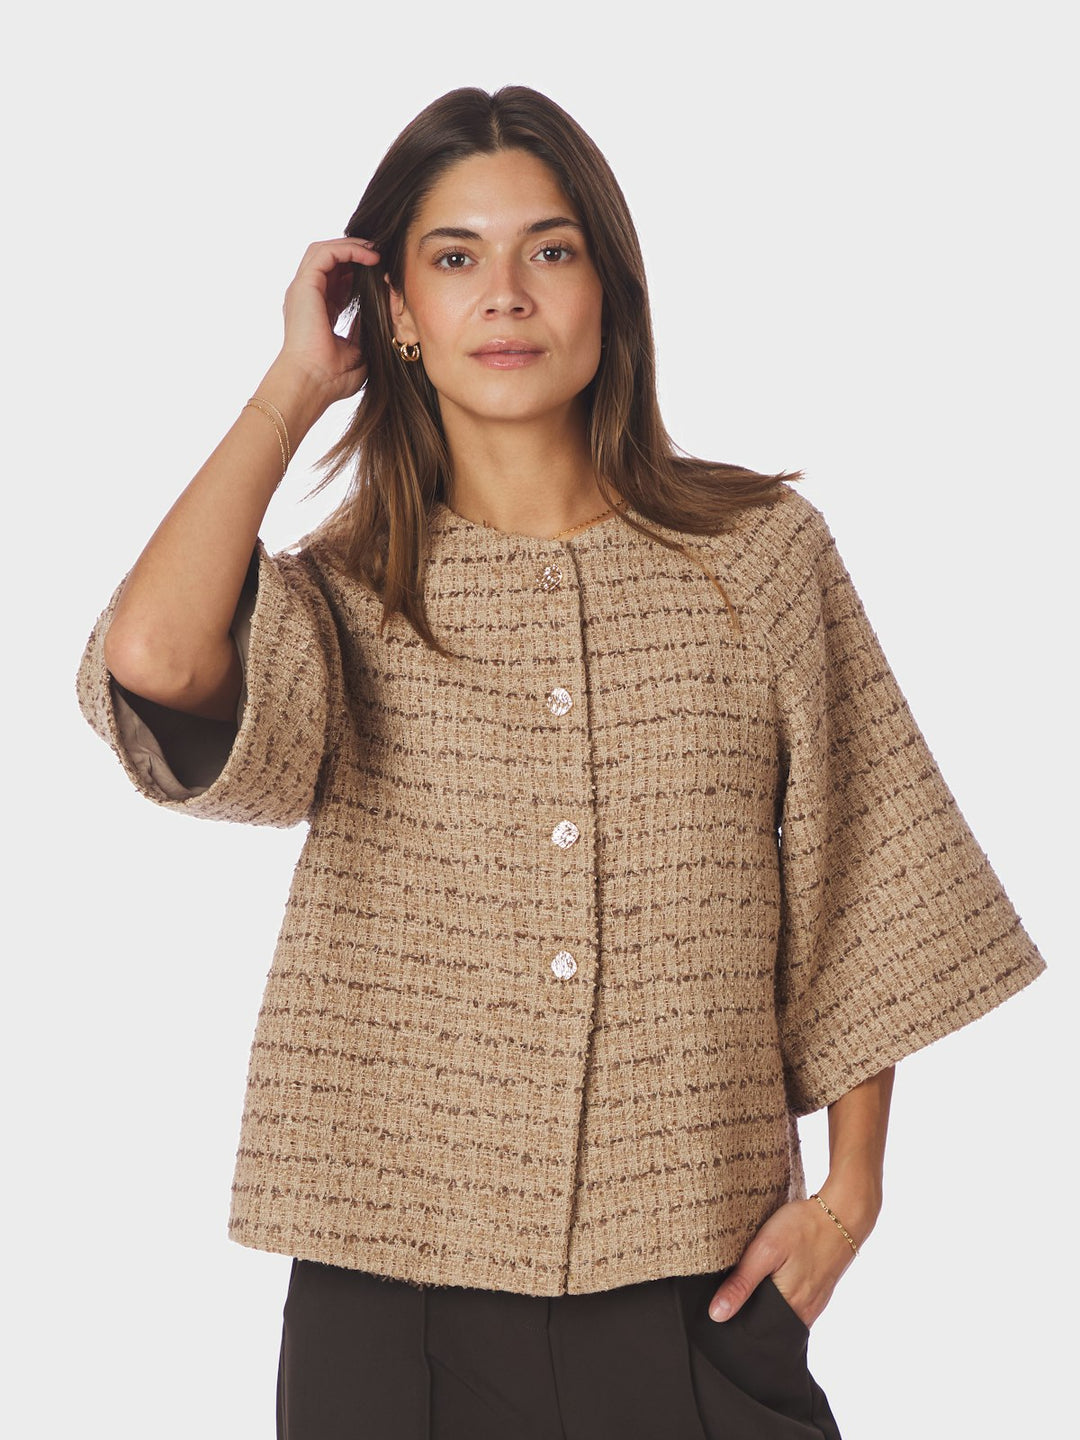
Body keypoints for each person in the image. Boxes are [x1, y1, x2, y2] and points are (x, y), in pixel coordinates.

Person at [75, 85, 1046, 1439]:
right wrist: (293, 388)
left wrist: (850, 1199)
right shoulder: (346, 596)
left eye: (551, 249)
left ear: (609, 288)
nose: (507, 295)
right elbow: (156, 656)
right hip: (388, 1297)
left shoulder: (760, 558)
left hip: (694, 1280)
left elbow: (866, 875)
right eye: (453, 258)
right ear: (396, 312)